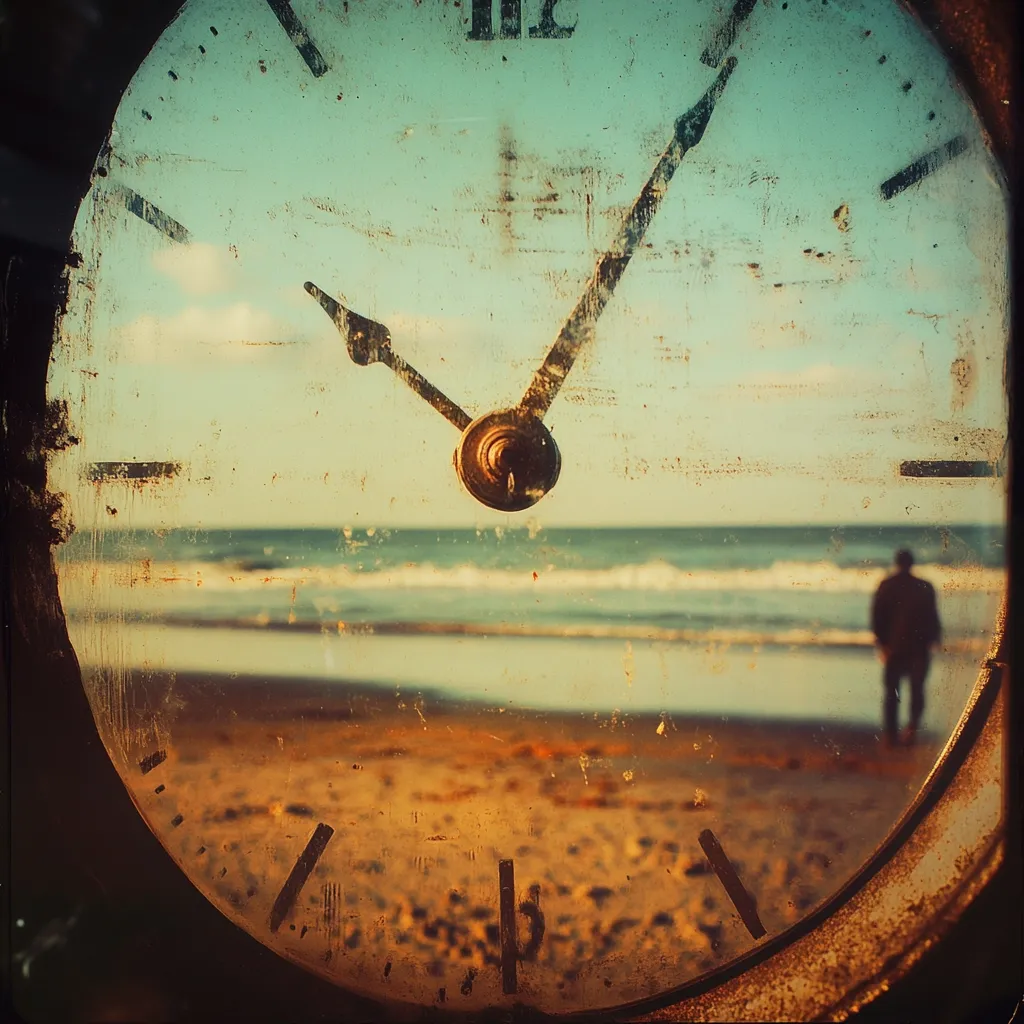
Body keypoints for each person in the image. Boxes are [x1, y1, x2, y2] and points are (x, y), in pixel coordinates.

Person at [871, 548, 942, 747]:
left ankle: (890, 735)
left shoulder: (886, 586)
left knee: (892, 693)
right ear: (912, 563)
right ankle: (911, 730)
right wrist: (934, 640)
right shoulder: (925, 586)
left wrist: (881, 643)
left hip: (894, 647)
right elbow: (933, 618)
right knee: (917, 691)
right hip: (918, 648)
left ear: (896, 562)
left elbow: (877, 617)